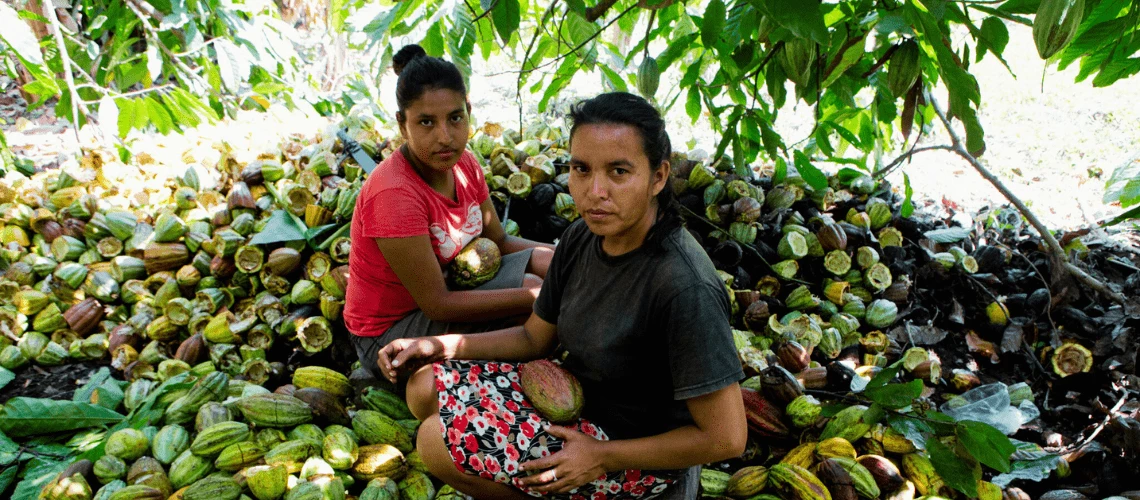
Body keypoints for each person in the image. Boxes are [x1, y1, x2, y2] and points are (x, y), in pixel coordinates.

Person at [377, 92, 747, 500]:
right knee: (424, 384)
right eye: (581, 169)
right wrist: (435, 344)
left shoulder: (683, 286)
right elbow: (534, 338)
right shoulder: (583, 237)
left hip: (633, 451)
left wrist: (602, 456)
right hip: (574, 402)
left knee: (435, 441)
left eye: (619, 172)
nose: (595, 191)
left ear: (658, 177)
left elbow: (726, 438)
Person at [346, 44, 555, 385]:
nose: (445, 137)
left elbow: (497, 240)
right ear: (403, 125)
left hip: (451, 286)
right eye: (426, 122)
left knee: (550, 265)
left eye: (455, 118)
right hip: (389, 333)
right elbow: (438, 305)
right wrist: (545, 296)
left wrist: (573, 260)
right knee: (536, 295)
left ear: (468, 111)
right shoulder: (394, 194)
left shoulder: (464, 164)